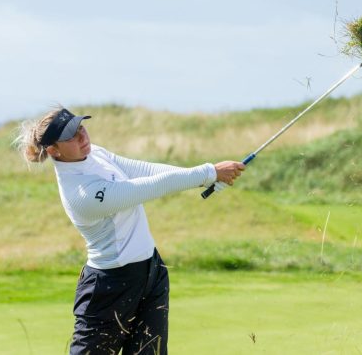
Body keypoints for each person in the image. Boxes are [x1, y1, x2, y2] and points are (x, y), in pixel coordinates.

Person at [14, 107, 245, 355]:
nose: (82, 137)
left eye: (81, 127)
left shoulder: (94, 154)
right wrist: (209, 172)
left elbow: (145, 171)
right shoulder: (80, 194)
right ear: (53, 150)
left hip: (151, 274)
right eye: (71, 136)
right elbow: (141, 189)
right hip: (109, 287)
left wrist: (208, 176)